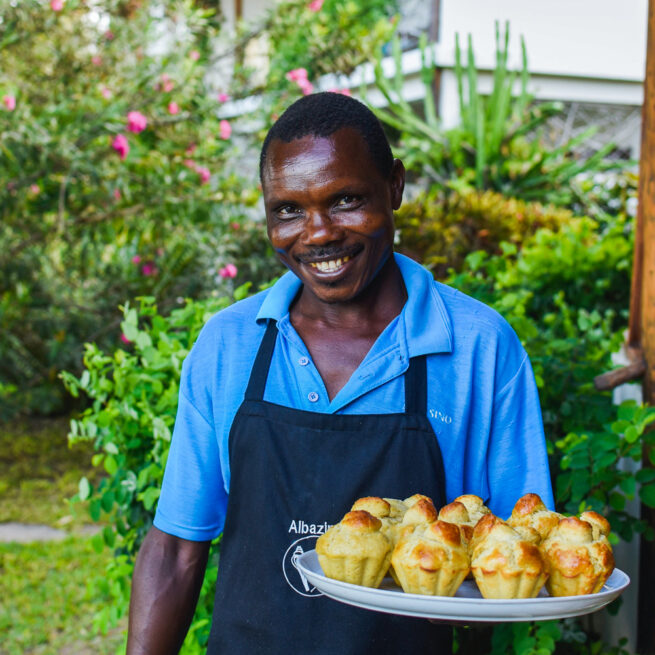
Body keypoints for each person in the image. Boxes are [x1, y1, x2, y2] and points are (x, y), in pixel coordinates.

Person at [126, 92, 553, 655]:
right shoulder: (231, 345)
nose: (319, 232)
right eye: (288, 209)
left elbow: (516, 557)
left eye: (346, 199)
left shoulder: (478, 347)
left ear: (395, 187)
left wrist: (445, 588)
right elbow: (176, 551)